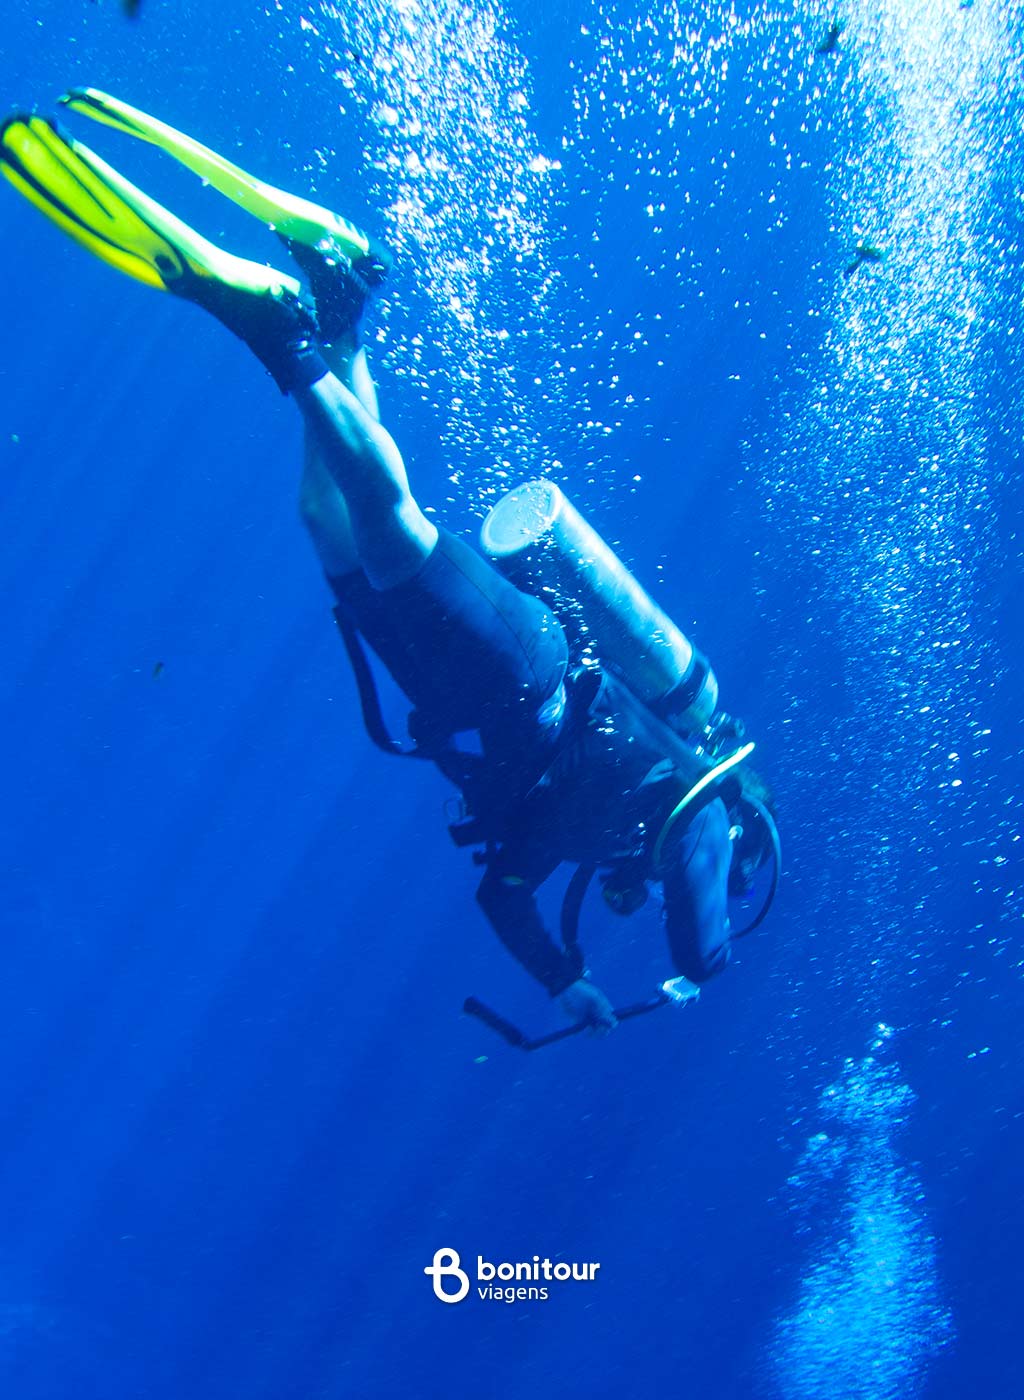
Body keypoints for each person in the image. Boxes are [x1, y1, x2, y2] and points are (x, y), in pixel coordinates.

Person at [0, 90, 781, 1034]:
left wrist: (563, 978)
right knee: (387, 527)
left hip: (465, 696)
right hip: (522, 667)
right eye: (728, 877)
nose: (679, 888)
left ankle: (340, 303)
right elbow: (699, 914)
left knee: (326, 519)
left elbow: (501, 895)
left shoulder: (601, 835)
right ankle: (279, 332)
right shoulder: (696, 803)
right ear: (740, 838)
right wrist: (708, 966)